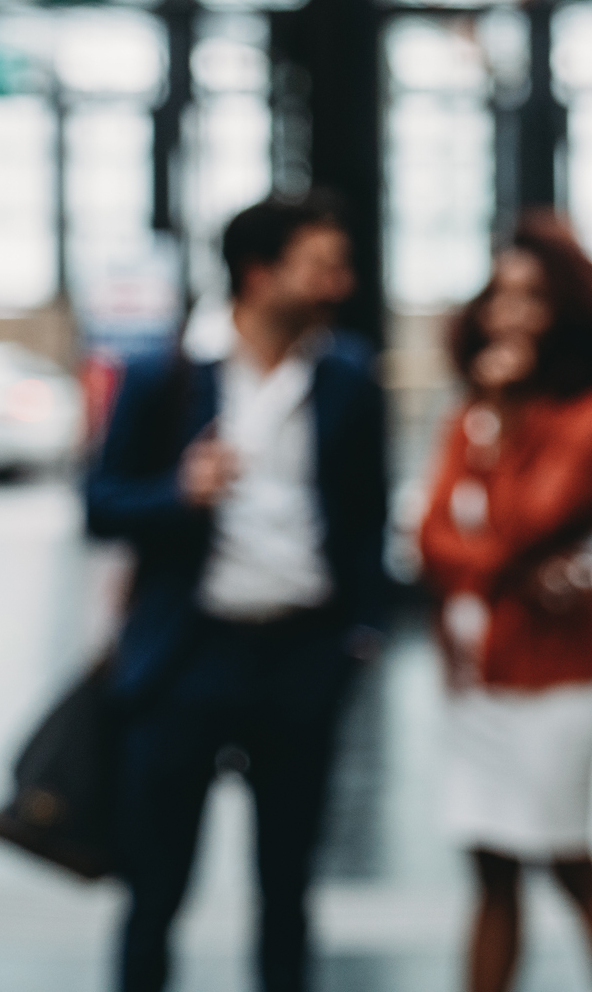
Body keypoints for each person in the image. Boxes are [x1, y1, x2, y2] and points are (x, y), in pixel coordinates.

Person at [87, 192, 388, 992]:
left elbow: (367, 517)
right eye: (321, 266)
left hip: (301, 657)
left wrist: (359, 633)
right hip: (187, 659)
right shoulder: (165, 376)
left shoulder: (349, 377)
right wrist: (177, 494)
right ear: (260, 275)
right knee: (155, 890)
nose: (340, 283)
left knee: (288, 890)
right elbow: (99, 503)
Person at [418, 211, 592, 992]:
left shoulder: (591, 417)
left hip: (552, 675)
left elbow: (524, 524)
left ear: (567, 311)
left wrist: (506, 423)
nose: (509, 312)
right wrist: (492, 565)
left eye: (531, 296)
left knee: (567, 860)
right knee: (488, 867)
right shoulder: (474, 409)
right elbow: (428, 537)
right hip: (475, 669)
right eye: (500, 294)